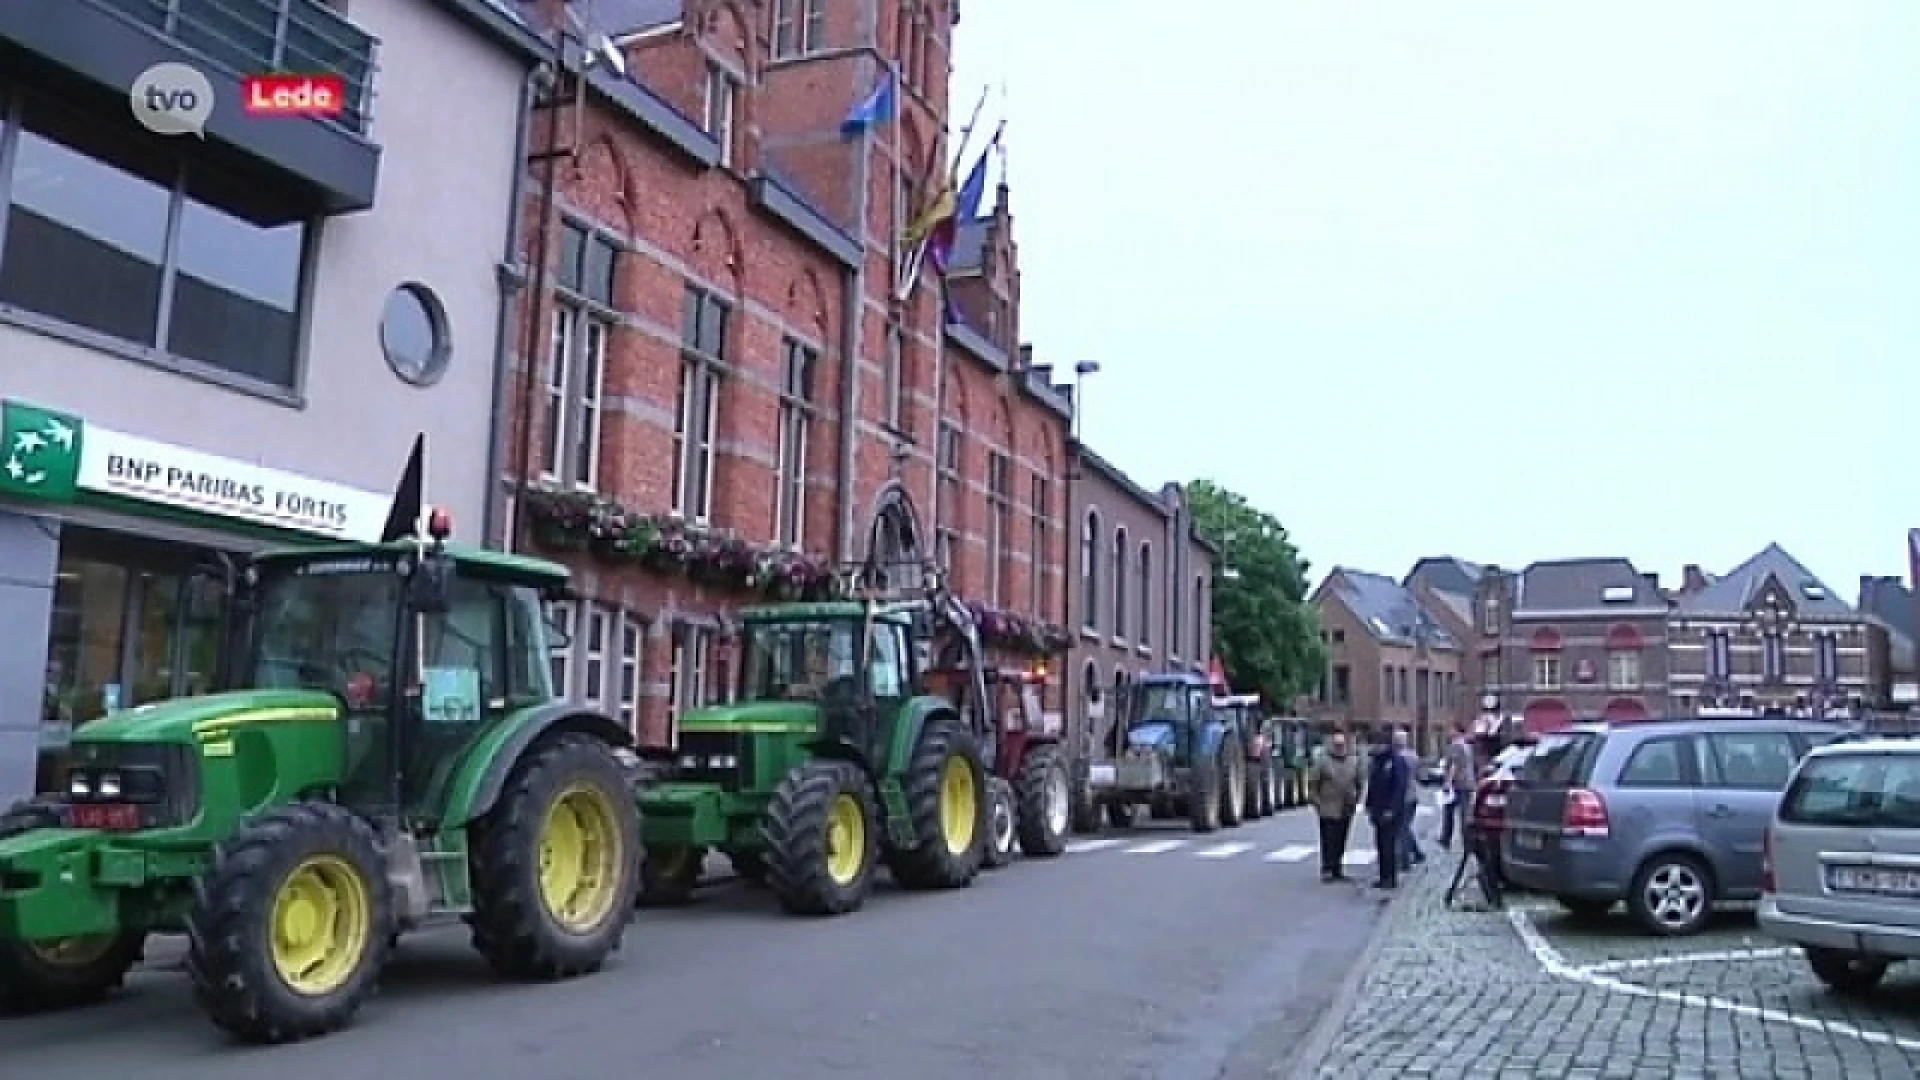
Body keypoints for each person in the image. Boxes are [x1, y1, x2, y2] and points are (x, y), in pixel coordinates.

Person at [1311, 731, 1363, 881]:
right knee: (1328, 839)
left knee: (1341, 839)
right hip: (1328, 807)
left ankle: (1337, 868)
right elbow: (1313, 784)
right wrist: (1318, 803)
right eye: (1337, 745)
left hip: (1346, 807)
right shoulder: (1323, 761)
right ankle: (1327, 868)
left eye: (1342, 745)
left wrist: (1356, 800)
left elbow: (1359, 782)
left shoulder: (1353, 761)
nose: (1339, 748)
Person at [1364, 728, 1411, 889]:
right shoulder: (1378, 762)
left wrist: (1392, 809)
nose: (1375, 747)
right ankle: (1383, 876)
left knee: (1388, 845)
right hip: (1378, 808)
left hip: (1391, 811)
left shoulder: (1397, 762)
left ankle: (1390, 878)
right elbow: (1373, 785)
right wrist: (1368, 804)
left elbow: (1400, 787)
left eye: (1378, 744)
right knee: (1380, 844)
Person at [1438, 723, 1476, 850]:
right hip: (1468, 783)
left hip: (1457, 784)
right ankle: (1468, 842)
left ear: (1457, 732)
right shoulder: (1468, 746)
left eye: (1451, 730)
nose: (1449, 732)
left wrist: (1447, 782)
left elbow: (1454, 765)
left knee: (1449, 812)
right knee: (1465, 813)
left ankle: (1446, 838)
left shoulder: (1455, 746)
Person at [1395, 728, 1424, 872]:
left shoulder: (1396, 757)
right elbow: (1419, 774)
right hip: (1413, 795)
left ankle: (1405, 861)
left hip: (1402, 797)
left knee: (1402, 829)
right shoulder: (1414, 755)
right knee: (1405, 827)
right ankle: (1417, 853)